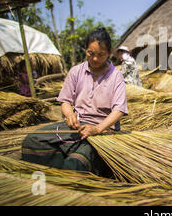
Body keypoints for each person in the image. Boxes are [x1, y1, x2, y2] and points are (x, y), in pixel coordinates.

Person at [21, 28, 128, 176]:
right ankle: (56, 171)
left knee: (77, 163)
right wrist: (69, 114)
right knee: (32, 142)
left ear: (109, 53)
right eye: (91, 53)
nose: (95, 59)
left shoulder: (116, 76)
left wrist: (97, 129)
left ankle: (67, 175)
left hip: (102, 131)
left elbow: (119, 110)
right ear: (85, 50)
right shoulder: (76, 71)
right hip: (75, 128)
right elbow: (65, 100)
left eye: (101, 55)